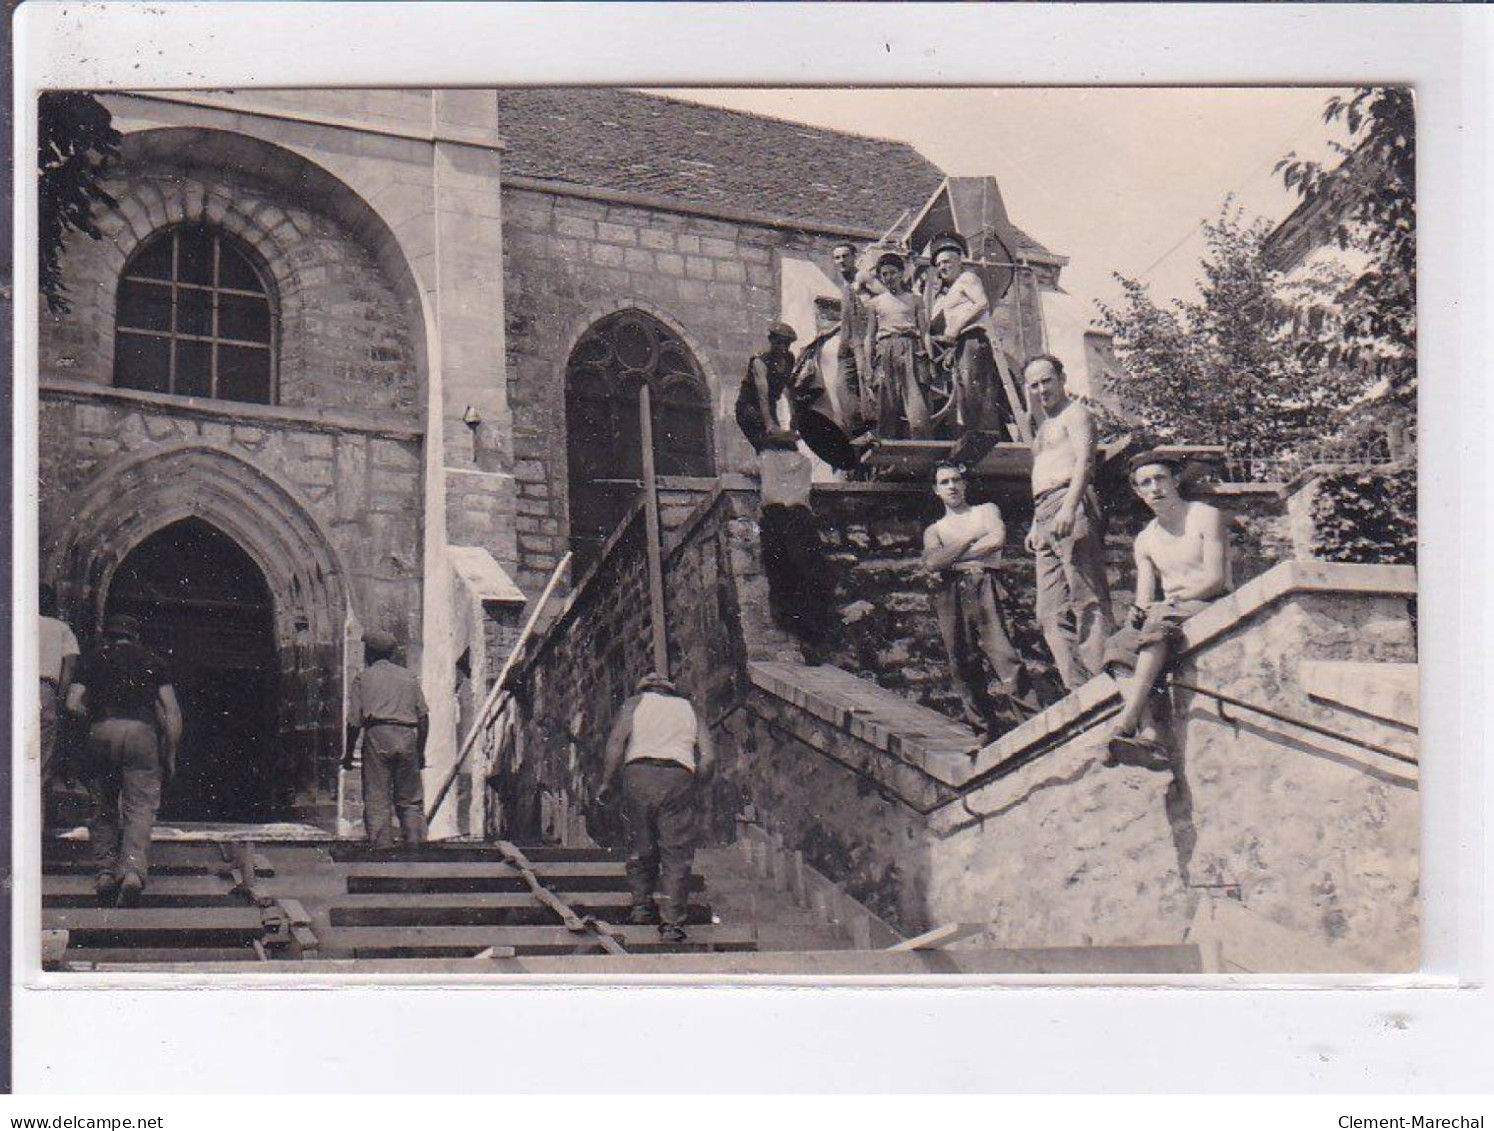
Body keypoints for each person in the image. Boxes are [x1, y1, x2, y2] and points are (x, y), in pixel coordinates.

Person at [1103, 452, 1229, 763]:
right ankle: (1149, 735)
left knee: (1160, 617)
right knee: (1117, 645)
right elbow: (1144, 598)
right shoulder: (1145, 540)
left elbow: (1215, 579)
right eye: (1146, 483)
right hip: (1171, 612)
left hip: (1208, 601)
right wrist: (1139, 610)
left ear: (1174, 481)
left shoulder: (1204, 516)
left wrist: (1170, 602)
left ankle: (1126, 720)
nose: (1155, 487)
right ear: (1138, 492)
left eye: (1160, 478)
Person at [65, 612, 183, 907]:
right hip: (141, 732)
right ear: (135, 636)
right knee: (140, 807)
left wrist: (93, 720)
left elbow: (71, 702)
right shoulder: (154, 661)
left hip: (102, 729)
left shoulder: (92, 659)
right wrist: (170, 755)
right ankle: (131, 871)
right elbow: (172, 713)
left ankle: (105, 871)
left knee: (102, 803)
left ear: (107, 635)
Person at [735, 321, 835, 665]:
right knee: (767, 444)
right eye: (779, 342)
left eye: (786, 343)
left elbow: (789, 393)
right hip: (749, 408)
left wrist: (793, 422)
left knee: (786, 450)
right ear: (771, 341)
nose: (782, 347)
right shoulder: (759, 362)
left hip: (772, 415)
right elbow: (763, 397)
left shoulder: (788, 361)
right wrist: (769, 426)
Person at [597, 672, 716, 943]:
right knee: (676, 852)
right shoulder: (690, 709)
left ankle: (641, 907)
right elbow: (708, 758)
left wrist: (606, 782)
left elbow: (616, 743)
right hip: (678, 776)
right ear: (670, 691)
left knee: (640, 844)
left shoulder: (634, 704)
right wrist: (694, 786)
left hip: (638, 774)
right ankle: (672, 924)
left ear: (644, 688)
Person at [923, 462, 1038, 739]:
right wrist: (972, 538)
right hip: (951, 591)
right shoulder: (934, 529)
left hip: (984, 582)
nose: (951, 486)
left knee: (1003, 654)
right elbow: (933, 562)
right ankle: (984, 730)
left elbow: (996, 540)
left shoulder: (986, 510)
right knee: (962, 661)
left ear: (965, 484)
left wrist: (951, 554)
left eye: (956, 480)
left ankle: (1033, 724)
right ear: (936, 490)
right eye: (945, 482)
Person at [1024, 354, 1116, 691]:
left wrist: (1068, 508)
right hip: (1045, 510)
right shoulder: (1044, 426)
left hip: (1070, 503)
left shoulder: (1077, 414)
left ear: (1062, 378)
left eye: (1046, 380)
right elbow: (1042, 475)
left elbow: (1083, 464)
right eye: (1033, 384)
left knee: (1086, 595)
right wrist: (1037, 523)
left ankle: (1103, 683)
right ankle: (1080, 690)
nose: (1040, 389)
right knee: (1049, 611)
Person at [345, 629, 430, 847]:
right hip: (407, 735)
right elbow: (423, 717)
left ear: (369, 653)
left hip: (378, 735)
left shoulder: (363, 678)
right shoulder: (409, 677)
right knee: (410, 799)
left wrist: (348, 754)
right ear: (392, 654)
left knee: (377, 797)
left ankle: (382, 851)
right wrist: (420, 751)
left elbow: (354, 722)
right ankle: (416, 847)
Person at [925, 232, 1004, 438]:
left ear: (959, 261)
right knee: (964, 392)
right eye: (939, 264)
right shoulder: (949, 291)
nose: (943, 267)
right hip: (960, 343)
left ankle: (981, 435)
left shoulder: (967, 278)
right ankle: (971, 434)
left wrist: (956, 327)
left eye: (947, 261)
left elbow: (982, 303)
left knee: (973, 389)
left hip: (972, 339)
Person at [863, 250, 934, 439]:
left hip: (911, 348)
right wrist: (868, 366)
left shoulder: (915, 299)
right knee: (886, 403)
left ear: (902, 273)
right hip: (885, 349)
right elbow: (869, 336)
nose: (888, 278)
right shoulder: (875, 303)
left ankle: (922, 448)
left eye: (892, 272)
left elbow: (925, 332)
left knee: (917, 404)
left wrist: (930, 357)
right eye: (884, 274)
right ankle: (886, 456)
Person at [38, 583, 80, 828]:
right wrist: (61, 698)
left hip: (16, 688)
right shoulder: (61, 628)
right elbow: (71, 663)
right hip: (45, 691)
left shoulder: (15, 621)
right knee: (41, 764)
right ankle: (37, 830)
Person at [831, 241, 874, 433]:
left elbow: (886, 297)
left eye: (845, 256)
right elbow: (850, 315)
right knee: (841, 387)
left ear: (854, 258)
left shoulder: (862, 277)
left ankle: (869, 429)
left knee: (866, 385)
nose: (841, 261)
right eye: (837, 257)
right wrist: (832, 331)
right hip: (847, 344)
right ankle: (857, 430)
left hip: (863, 341)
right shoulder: (846, 285)